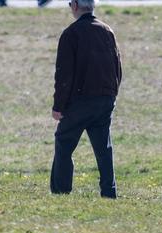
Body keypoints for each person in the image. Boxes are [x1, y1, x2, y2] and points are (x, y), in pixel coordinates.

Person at [49, 0, 121, 199]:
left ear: (74, 6)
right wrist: (112, 95)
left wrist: (58, 106)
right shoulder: (107, 31)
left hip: (80, 101)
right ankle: (109, 192)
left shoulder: (71, 34)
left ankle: (61, 190)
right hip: (105, 99)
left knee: (64, 141)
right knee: (103, 148)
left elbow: (64, 75)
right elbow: (117, 66)